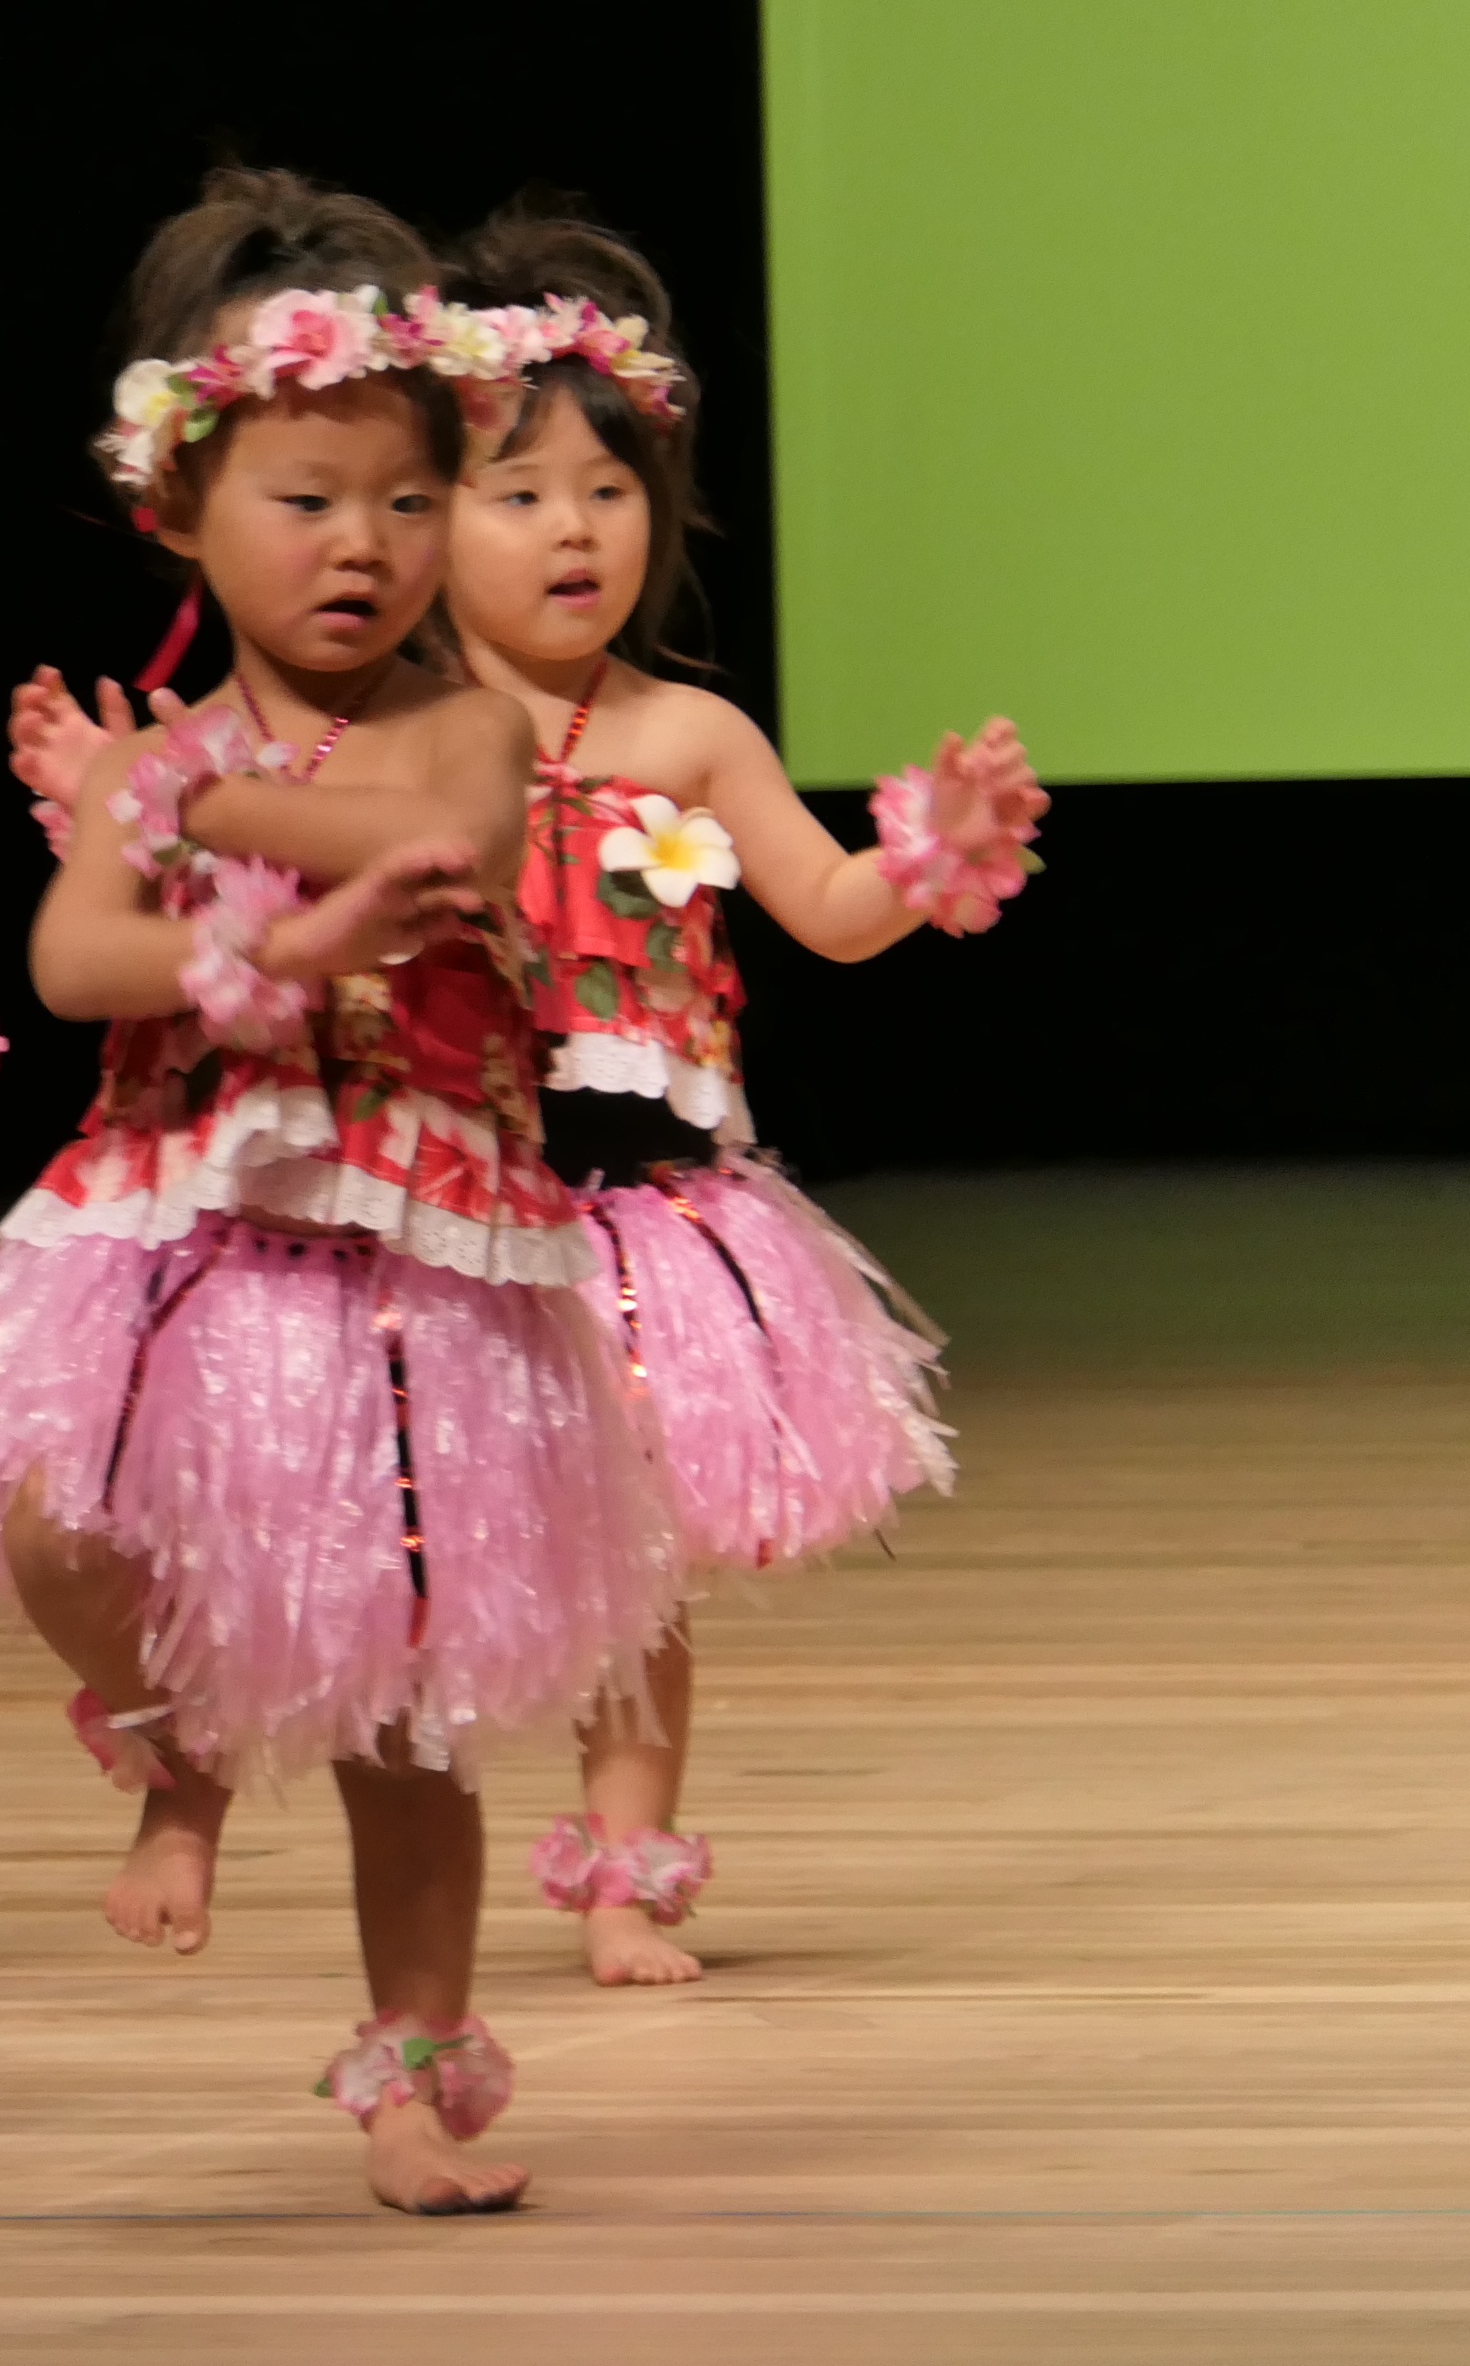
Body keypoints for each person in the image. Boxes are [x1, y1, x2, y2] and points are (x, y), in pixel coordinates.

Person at [0, 169, 677, 2218]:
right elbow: (74, 960)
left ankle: (412, 2079)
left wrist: (169, 795)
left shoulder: (464, 728)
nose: (365, 547)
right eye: (308, 501)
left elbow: (431, 838)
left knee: (405, 1716)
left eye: (409, 503)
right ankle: (172, 1744)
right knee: (55, 1518)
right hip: (189, 1228)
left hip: (416, 1256)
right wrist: (230, 917)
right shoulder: (174, 754)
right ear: (181, 510)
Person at [430, 210, 1045, 1984]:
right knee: (445, 1545)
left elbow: (830, 912)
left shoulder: (690, 737)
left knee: (635, 1566)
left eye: (608, 492)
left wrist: (927, 854)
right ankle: (416, 1871)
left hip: (649, 1222)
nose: (574, 530)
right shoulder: (398, 732)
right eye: (520, 493)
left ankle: (625, 1877)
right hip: (453, 1205)